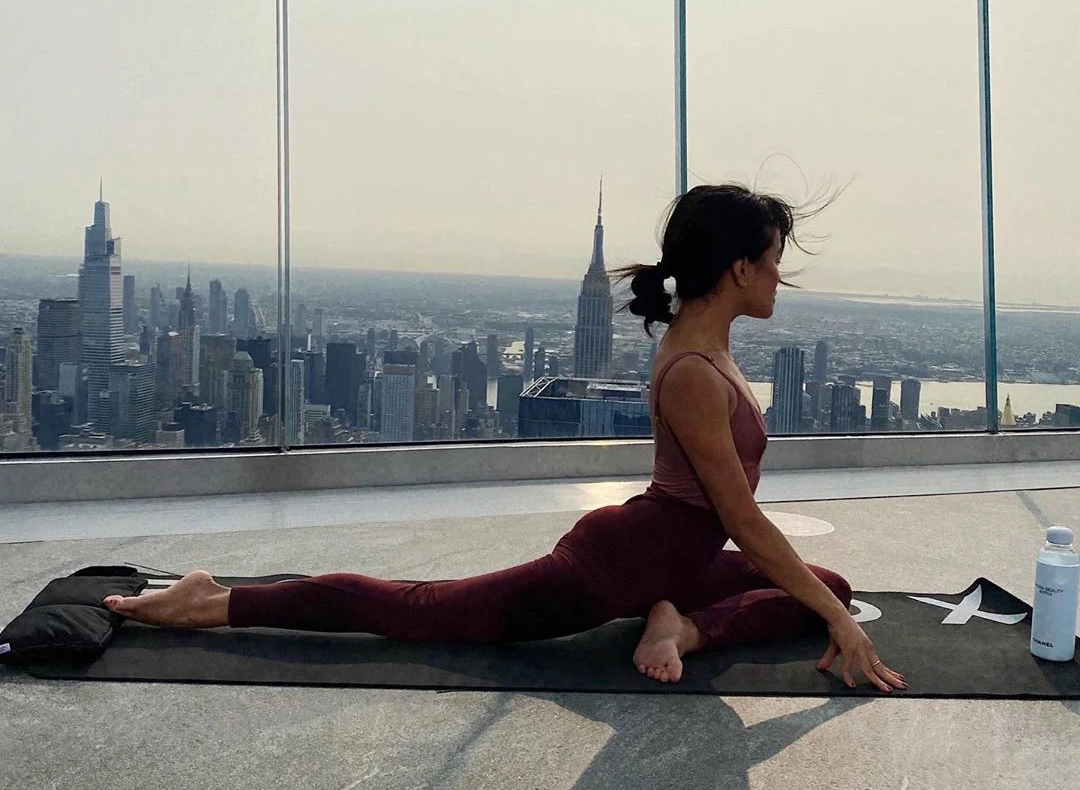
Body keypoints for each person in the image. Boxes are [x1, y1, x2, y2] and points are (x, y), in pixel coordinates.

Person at [104, 183, 906, 694]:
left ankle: (681, 622)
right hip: (616, 564)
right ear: (737, 269)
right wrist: (838, 628)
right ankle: (210, 602)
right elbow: (744, 521)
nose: (779, 277)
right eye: (772, 261)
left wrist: (828, 611)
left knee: (826, 587)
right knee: (419, 610)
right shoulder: (694, 369)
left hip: (672, 561)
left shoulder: (712, 345)